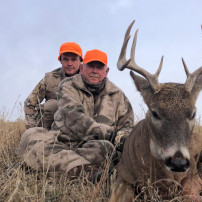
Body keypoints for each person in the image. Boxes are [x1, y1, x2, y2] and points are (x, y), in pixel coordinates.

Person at [16, 49, 134, 180]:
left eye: (99, 67)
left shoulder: (118, 96)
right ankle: (88, 173)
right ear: (82, 68)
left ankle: (58, 168)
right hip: (61, 142)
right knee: (31, 134)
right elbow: (73, 116)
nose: (94, 71)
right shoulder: (67, 85)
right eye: (90, 66)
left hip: (92, 148)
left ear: (106, 71)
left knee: (105, 149)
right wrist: (111, 135)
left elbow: (127, 127)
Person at [24, 42, 83, 130]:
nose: (69, 63)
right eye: (65, 59)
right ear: (60, 60)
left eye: (74, 59)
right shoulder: (49, 79)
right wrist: (32, 128)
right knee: (52, 105)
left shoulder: (89, 79)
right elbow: (29, 104)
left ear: (80, 61)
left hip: (79, 128)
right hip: (49, 130)